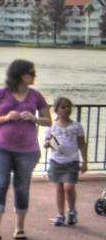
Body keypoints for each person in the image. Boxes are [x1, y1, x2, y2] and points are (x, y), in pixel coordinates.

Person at [0, 59, 49, 240]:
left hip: (28, 150)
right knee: (0, 183)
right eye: (31, 73)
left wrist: (34, 119)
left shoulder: (36, 96)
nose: (34, 76)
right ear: (20, 74)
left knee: (21, 187)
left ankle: (20, 227)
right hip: (1, 148)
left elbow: (48, 120)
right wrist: (5, 117)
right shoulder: (0, 94)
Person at [44, 97, 89, 228]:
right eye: (63, 107)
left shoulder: (77, 126)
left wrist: (85, 162)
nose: (67, 109)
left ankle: (72, 211)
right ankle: (60, 214)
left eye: (69, 107)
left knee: (69, 188)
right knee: (59, 188)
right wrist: (47, 144)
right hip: (56, 161)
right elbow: (46, 143)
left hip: (72, 161)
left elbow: (82, 144)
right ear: (56, 109)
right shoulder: (51, 127)